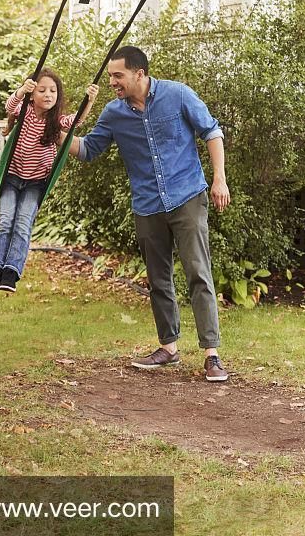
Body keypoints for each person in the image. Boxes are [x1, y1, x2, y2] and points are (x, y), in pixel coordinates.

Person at [72, 46, 232, 382]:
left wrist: (219, 178)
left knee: (197, 273)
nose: (113, 81)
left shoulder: (177, 95)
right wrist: (51, 132)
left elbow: (212, 132)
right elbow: (87, 150)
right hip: (147, 205)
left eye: (118, 75)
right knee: (159, 281)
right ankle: (169, 348)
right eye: (112, 75)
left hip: (187, 196)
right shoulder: (114, 114)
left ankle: (212, 355)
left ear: (139, 74)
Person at [0, 69, 99, 294]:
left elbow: (77, 121)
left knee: (23, 223)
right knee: (6, 220)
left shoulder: (55, 122)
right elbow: (10, 107)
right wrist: (20, 91)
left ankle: (11, 272)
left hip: (35, 183)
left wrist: (90, 99)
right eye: (42, 90)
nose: (48, 94)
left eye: (53, 91)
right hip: (12, 177)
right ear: (33, 93)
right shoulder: (25, 112)